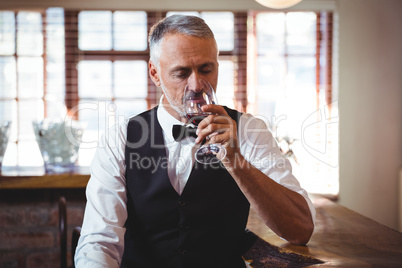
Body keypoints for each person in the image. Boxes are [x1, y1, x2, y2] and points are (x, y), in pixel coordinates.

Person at [75, 14, 315, 268]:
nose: (197, 85)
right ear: (155, 73)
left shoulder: (250, 131)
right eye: (181, 72)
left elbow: (300, 230)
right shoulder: (119, 140)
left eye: (206, 69)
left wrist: (235, 160)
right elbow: (100, 241)